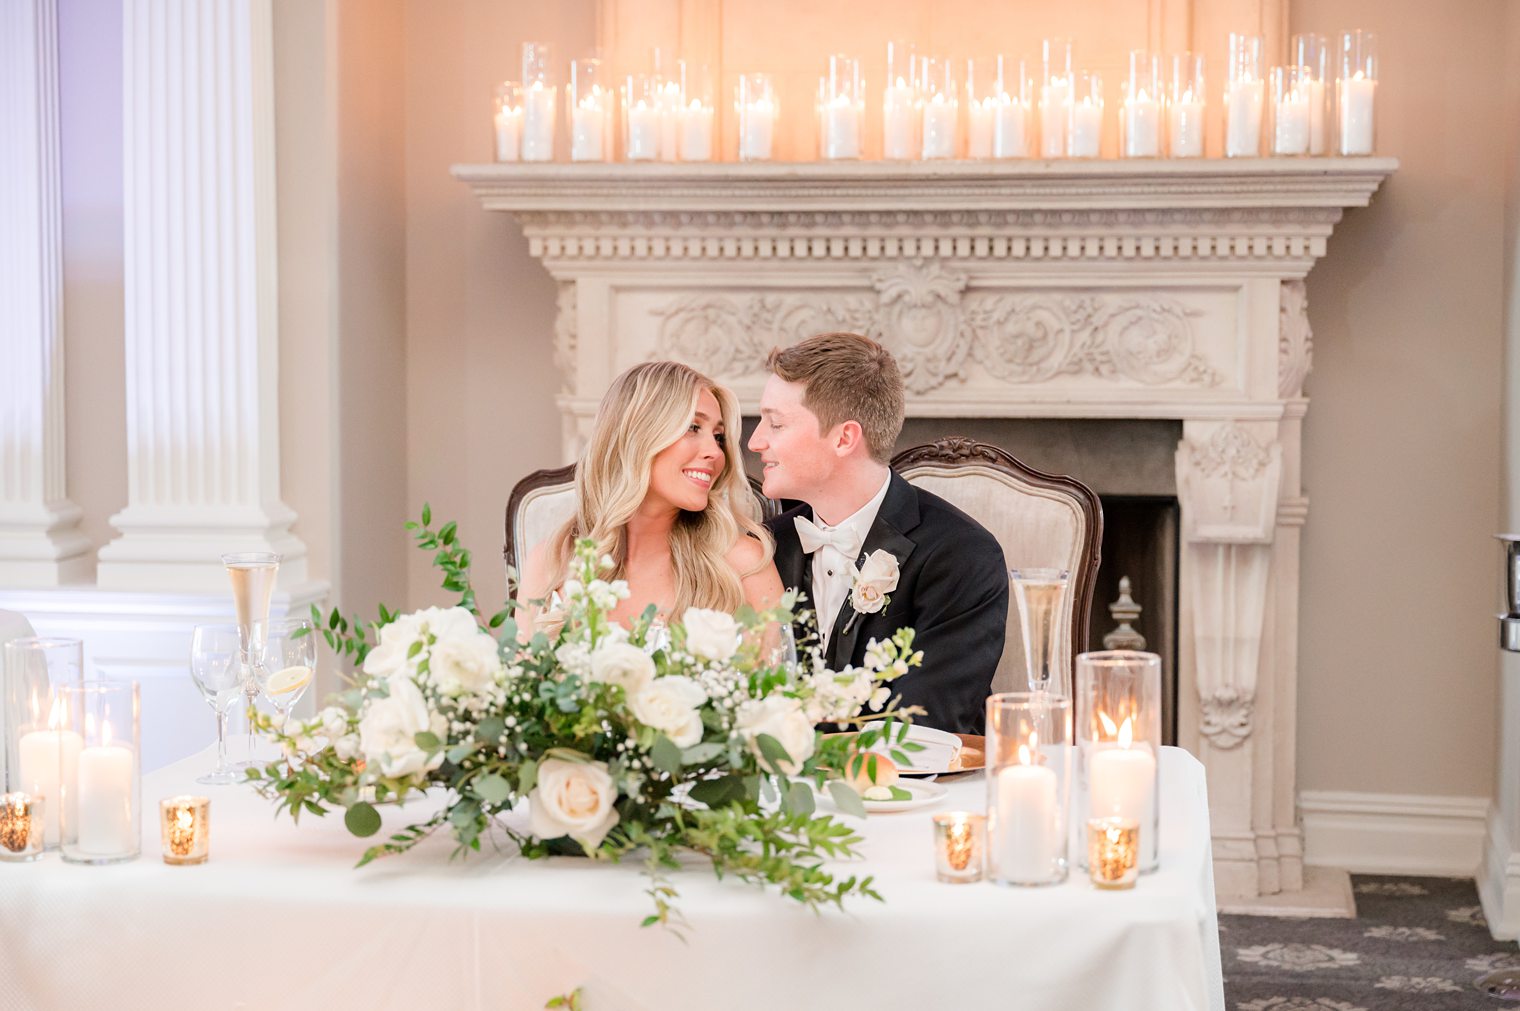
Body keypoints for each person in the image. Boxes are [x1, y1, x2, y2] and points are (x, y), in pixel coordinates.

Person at [747, 332, 1008, 734]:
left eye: (776, 423)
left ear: (844, 438)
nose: (755, 441)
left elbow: (925, 725)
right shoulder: (765, 549)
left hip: (924, 793)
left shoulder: (963, 555)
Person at [518, 361, 782, 636]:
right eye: (693, 427)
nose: (716, 453)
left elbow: (778, 674)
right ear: (637, 434)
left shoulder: (743, 565)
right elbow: (522, 675)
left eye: (718, 437)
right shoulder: (550, 563)